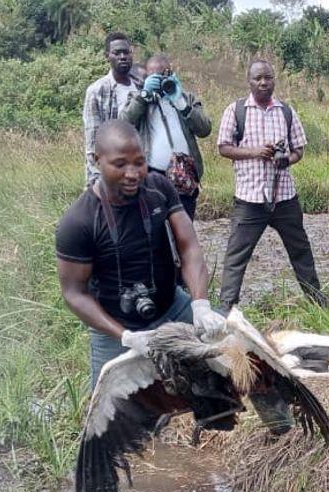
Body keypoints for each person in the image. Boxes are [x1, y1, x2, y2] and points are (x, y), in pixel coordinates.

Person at [56, 120, 225, 389]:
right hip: (114, 325)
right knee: (108, 414)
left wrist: (200, 305)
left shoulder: (159, 188)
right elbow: (74, 293)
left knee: (238, 354)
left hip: (172, 305)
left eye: (139, 162)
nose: (133, 173)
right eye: (120, 164)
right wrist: (125, 336)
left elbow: (189, 246)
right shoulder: (78, 221)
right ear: (96, 160)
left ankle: (278, 425)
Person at [215, 59, 326, 311]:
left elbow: (299, 149)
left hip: (284, 197)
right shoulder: (236, 110)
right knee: (236, 255)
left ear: (274, 79)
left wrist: (287, 160)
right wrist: (256, 152)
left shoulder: (286, 111)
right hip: (249, 198)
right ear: (249, 81)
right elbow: (223, 148)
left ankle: (318, 302)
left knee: (301, 251)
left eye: (268, 78)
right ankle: (225, 308)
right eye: (258, 78)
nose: (263, 83)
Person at [119, 53, 212, 220]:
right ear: (146, 77)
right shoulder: (138, 99)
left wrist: (180, 102)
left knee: (185, 225)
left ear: (170, 73)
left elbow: (204, 129)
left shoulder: (186, 98)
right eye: (153, 76)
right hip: (153, 177)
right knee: (156, 228)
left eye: (163, 74)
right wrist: (144, 96)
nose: (159, 80)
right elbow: (124, 123)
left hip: (184, 175)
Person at [82, 32, 138, 187]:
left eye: (126, 52)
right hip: (112, 176)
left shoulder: (141, 87)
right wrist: (97, 181)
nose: (122, 57)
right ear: (107, 56)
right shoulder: (97, 91)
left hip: (140, 174)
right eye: (117, 53)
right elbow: (93, 141)